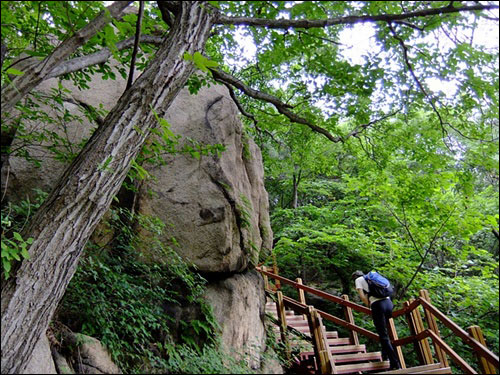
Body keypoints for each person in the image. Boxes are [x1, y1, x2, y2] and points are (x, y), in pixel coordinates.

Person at [351, 270, 401, 370]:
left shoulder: (358, 280)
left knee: (383, 335)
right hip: (388, 303)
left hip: (378, 305)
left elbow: (362, 296)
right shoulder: (372, 277)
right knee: (387, 334)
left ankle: (395, 363)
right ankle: (386, 357)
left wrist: (369, 305)